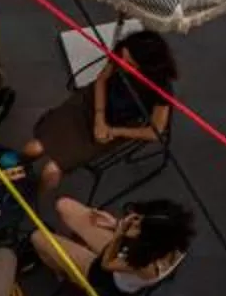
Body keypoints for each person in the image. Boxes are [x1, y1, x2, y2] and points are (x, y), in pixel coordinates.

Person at [23, 29, 175, 191]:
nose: (122, 65)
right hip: (92, 102)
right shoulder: (121, 53)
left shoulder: (160, 89)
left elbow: (155, 131)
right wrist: (99, 117)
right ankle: (16, 173)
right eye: (122, 59)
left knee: (51, 171)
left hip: (117, 124)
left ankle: (34, 197)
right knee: (33, 147)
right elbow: (102, 79)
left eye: (130, 64)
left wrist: (112, 130)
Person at [32, 195, 196, 296]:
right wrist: (116, 224)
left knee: (37, 238)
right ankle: (70, 255)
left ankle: (68, 277)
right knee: (64, 205)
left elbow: (106, 264)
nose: (133, 222)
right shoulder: (174, 239)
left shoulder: (147, 267)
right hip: (127, 252)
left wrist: (118, 234)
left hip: (107, 276)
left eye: (139, 226)